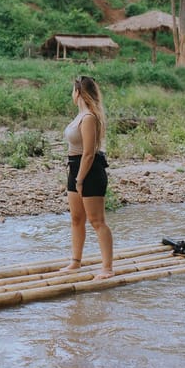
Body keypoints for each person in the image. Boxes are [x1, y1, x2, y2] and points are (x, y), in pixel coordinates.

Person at [61, 75, 114, 279]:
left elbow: (89, 152)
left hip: (90, 170)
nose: (71, 95)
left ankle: (107, 268)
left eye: (73, 91)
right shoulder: (78, 116)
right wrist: (75, 177)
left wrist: (81, 179)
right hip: (75, 169)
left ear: (78, 92)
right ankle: (75, 262)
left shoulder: (89, 117)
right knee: (76, 218)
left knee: (96, 220)